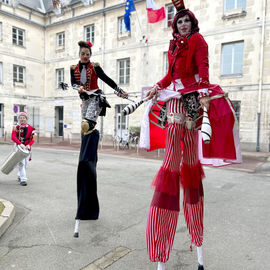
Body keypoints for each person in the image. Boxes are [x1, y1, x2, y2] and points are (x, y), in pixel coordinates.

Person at [140, 1, 242, 270]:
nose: (182, 24)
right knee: (172, 157)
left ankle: (197, 240)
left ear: (192, 24)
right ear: (175, 25)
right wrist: (156, 87)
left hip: (194, 101)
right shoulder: (173, 45)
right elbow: (169, 76)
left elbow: (204, 70)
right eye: (179, 21)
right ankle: (160, 250)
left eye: (186, 20)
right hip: (175, 99)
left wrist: (205, 94)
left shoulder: (198, 40)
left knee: (190, 165)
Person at [70, 41, 128, 237]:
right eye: (83, 53)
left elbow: (106, 79)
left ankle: (92, 140)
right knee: (84, 128)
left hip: (95, 97)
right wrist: (77, 87)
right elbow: (73, 82)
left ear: (90, 54)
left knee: (88, 125)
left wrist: (119, 90)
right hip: (84, 100)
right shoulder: (74, 68)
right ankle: (90, 147)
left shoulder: (95, 67)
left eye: (88, 53)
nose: (85, 56)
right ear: (79, 54)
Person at [11, 111, 35, 186]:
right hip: (19, 148)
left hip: (27, 148)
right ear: (18, 119)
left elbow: (34, 139)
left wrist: (29, 145)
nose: (22, 119)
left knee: (26, 164)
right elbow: (13, 137)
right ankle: (23, 179)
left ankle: (19, 175)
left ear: (26, 119)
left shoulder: (31, 128)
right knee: (21, 163)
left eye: (23, 118)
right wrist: (20, 144)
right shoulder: (15, 127)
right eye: (20, 118)